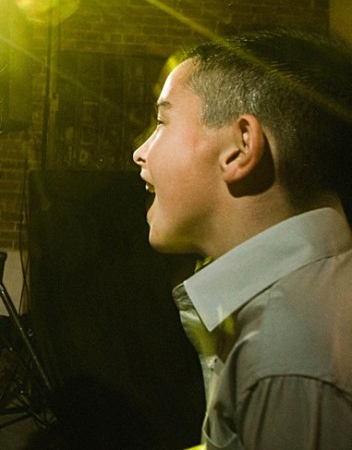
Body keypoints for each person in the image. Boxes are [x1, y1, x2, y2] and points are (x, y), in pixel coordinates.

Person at [132, 28, 352, 449]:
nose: (140, 152)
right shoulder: (309, 298)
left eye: (162, 123)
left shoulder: (287, 359)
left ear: (240, 147)